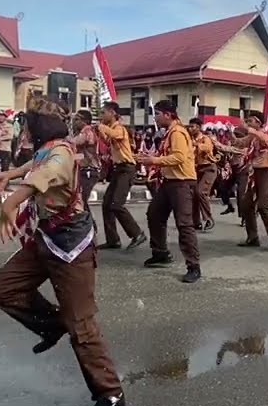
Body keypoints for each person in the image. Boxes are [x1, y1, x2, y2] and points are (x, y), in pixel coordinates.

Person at [0, 96, 124, 406]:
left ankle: (110, 392)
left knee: (83, 326)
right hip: (45, 238)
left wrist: (11, 202)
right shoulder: (51, 146)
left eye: (28, 126)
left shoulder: (60, 153)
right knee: (1, 288)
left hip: (71, 246)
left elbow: (46, 173)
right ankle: (54, 324)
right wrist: (9, 175)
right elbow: (35, 165)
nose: (25, 132)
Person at [137, 100, 201, 283]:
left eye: (157, 114)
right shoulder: (170, 132)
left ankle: (193, 266)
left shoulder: (178, 132)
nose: (155, 118)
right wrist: (149, 158)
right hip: (169, 182)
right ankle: (160, 252)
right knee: (154, 215)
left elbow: (179, 157)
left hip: (182, 183)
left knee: (184, 224)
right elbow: (169, 155)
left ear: (167, 114)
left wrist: (154, 161)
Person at [93, 102, 146, 251]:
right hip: (118, 169)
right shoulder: (111, 129)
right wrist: (99, 132)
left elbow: (116, 135)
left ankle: (137, 233)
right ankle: (113, 239)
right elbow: (108, 140)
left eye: (103, 113)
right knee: (107, 203)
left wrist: (101, 127)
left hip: (127, 169)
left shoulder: (120, 128)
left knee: (116, 204)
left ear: (112, 112)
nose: (101, 116)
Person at [224, 111, 268, 248]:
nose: (248, 124)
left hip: (266, 170)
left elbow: (265, 141)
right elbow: (239, 142)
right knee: (246, 204)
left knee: (262, 205)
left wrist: (246, 128)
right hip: (254, 171)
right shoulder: (252, 136)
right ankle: (253, 237)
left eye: (250, 121)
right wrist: (231, 132)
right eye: (247, 121)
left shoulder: (266, 134)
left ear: (258, 122)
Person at [188, 118, 218, 232]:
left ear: (199, 127)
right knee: (194, 195)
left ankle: (208, 218)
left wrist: (196, 144)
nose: (190, 129)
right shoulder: (189, 139)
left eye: (193, 127)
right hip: (196, 169)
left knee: (201, 192)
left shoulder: (206, 138)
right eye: (189, 127)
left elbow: (208, 148)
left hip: (208, 168)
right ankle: (196, 222)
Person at [70, 110, 100, 209]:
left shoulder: (87, 131)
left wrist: (63, 141)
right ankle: (88, 223)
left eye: (77, 119)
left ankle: (88, 223)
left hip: (88, 170)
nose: (74, 122)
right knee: (80, 202)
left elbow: (75, 142)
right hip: (83, 170)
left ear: (85, 121)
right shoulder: (79, 133)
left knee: (82, 202)